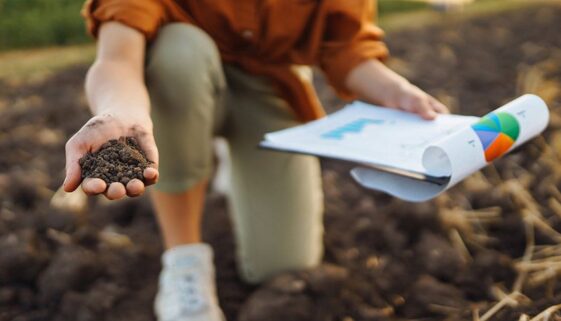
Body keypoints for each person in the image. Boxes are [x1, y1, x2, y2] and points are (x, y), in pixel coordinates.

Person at [63, 1, 449, 320]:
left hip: (270, 87)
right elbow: (117, 58)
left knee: (283, 265)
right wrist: (121, 110)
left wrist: (398, 92)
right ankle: (184, 260)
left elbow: (346, 48)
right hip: (180, 81)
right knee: (179, 51)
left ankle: (234, 159)